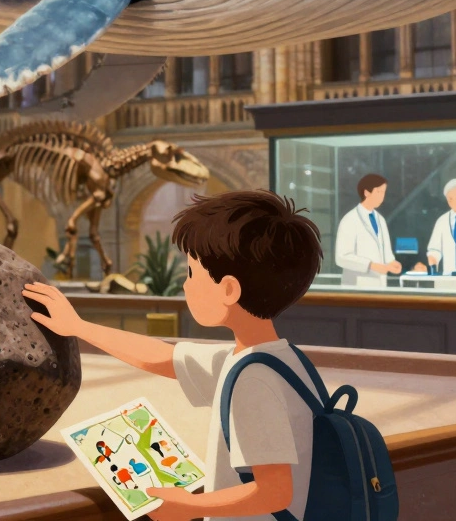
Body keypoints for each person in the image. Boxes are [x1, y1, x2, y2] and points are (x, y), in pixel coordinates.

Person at [23, 190, 324, 521]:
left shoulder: (255, 381)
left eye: (193, 273)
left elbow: (274, 492)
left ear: (228, 290)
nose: (185, 285)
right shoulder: (272, 360)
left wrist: (186, 506)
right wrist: (77, 326)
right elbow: (164, 357)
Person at [334, 174, 401, 287]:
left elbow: (385, 252)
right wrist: (371, 265)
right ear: (366, 192)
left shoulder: (380, 220)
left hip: (379, 284)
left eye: (383, 192)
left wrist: (392, 263)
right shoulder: (350, 220)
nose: (382, 196)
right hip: (356, 285)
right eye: (378, 192)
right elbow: (341, 257)